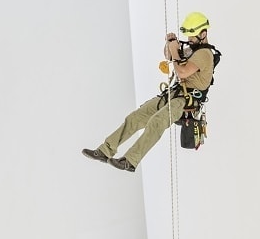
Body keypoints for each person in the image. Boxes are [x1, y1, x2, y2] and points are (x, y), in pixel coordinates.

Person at [82, 12, 215, 173]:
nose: (190, 39)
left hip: (187, 101)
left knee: (156, 122)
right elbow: (169, 55)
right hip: (175, 94)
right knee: (135, 117)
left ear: (203, 34)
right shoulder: (192, 50)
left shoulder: (204, 54)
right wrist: (170, 44)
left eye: (192, 35)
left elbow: (182, 72)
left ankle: (130, 161)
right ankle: (105, 150)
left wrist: (174, 52)